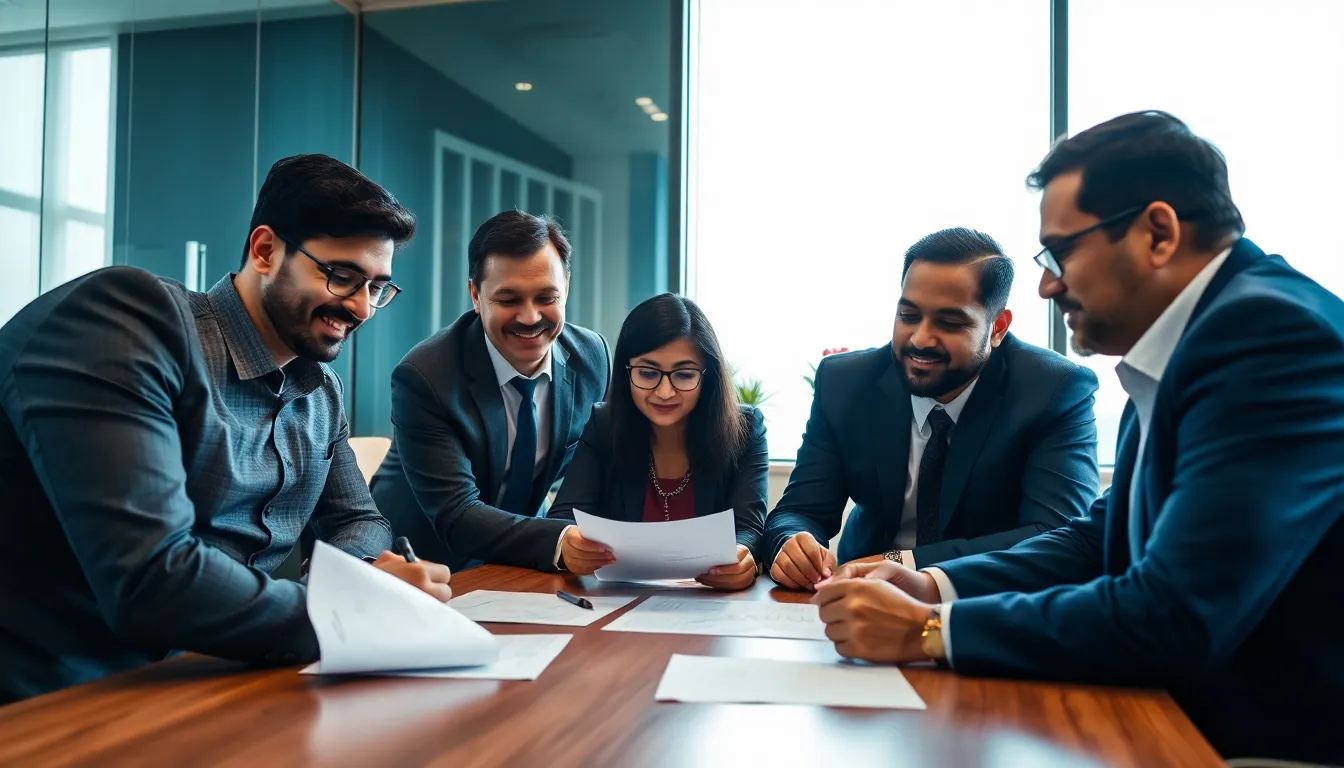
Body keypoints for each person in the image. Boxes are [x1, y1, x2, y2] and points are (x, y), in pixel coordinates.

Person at [812, 111, 1344, 765]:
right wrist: (934, 585)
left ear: (1157, 233)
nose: (1047, 284)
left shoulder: (1265, 337)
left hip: (1257, 746)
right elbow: (1100, 539)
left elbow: (1173, 616)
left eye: (1061, 251)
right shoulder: (1195, 338)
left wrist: (929, 631)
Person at [0, 154, 453, 704]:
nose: (359, 306)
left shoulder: (320, 390)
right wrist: (350, 609)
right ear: (265, 250)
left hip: (224, 682)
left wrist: (363, 583)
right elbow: (153, 581)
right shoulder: (128, 319)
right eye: (341, 275)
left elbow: (358, 519)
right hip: (63, 699)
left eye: (378, 286)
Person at [766, 228, 1100, 591]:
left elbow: (1054, 535)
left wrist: (900, 562)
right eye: (909, 316)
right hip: (860, 596)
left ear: (997, 327)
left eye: (949, 323)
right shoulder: (845, 382)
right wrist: (791, 543)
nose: (921, 339)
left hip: (988, 601)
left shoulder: (1053, 390)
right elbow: (800, 510)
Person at [371, 211, 610, 572]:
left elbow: (587, 476)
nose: (530, 317)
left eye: (546, 297)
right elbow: (458, 514)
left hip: (523, 564)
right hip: (422, 567)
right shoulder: (426, 376)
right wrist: (560, 541)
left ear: (567, 289)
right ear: (475, 295)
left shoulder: (592, 357)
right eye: (509, 299)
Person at [548, 294, 768, 589]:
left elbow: (749, 528)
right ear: (626, 372)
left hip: (711, 607)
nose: (665, 392)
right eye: (648, 373)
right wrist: (571, 546)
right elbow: (565, 517)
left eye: (684, 375)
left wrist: (744, 558)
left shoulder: (746, 428)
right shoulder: (604, 425)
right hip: (617, 607)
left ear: (709, 376)